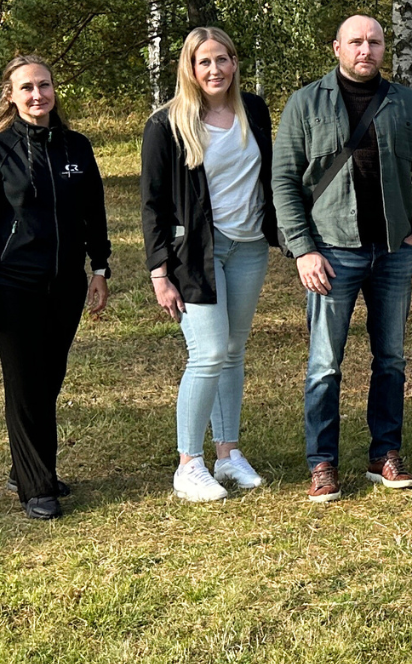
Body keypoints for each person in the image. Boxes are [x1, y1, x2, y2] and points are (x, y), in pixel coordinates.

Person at [272, 14, 412, 503]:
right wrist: (303, 248)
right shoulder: (305, 103)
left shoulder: (406, 103)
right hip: (330, 251)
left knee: (391, 358)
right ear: (336, 47)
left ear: (384, 48)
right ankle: (322, 463)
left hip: (392, 253)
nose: (365, 49)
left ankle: (384, 454)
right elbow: (283, 181)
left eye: (374, 41)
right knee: (325, 364)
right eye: (355, 42)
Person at [0, 55, 111, 520]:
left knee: (48, 380)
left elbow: (94, 211)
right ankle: (37, 487)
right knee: (25, 383)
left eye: (44, 86)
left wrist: (100, 268)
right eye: (26, 88)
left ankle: (26, 465)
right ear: (11, 95)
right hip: (12, 285)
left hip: (65, 284)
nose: (37, 95)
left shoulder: (76, 148)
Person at [141, 27, 280, 503]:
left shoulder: (254, 111)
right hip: (196, 254)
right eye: (204, 62)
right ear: (190, 68)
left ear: (235, 63)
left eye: (222, 59)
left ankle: (228, 454)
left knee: (234, 350)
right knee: (208, 352)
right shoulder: (167, 125)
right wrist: (160, 273)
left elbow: (271, 178)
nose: (215, 70)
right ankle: (188, 464)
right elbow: (152, 204)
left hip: (249, 247)